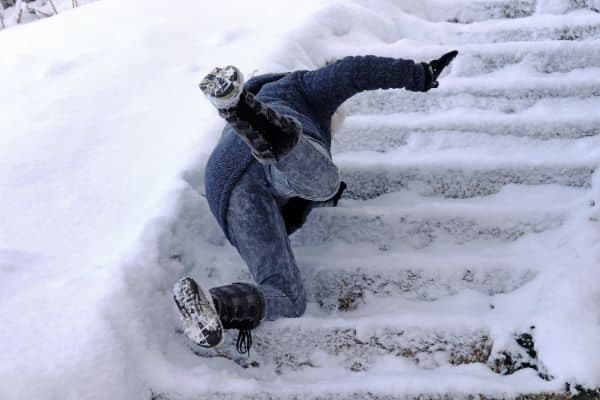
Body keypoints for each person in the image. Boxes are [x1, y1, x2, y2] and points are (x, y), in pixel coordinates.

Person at [173, 51, 459, 355]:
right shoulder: (299, 86)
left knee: (288, 296)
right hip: (267, 156)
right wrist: (420, 74)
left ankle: (215, 307)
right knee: (323, 182)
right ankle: (275, 135)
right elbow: (352, 71)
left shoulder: (248, 121)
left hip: (224, 184)